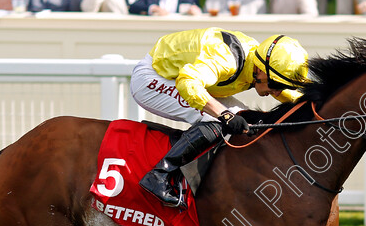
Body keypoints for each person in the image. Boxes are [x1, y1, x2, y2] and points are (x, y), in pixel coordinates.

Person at [131, 28, 309, 207]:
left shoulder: (258, 66)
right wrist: (224, 115)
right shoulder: (227, 61)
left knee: (245, 120)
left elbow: (287, 95)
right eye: (277, 85)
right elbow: (188, 83)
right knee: (218, 119)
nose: (278, 91)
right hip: (154, 77)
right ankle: (160, 174)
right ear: (261, 71)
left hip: (181, 75)